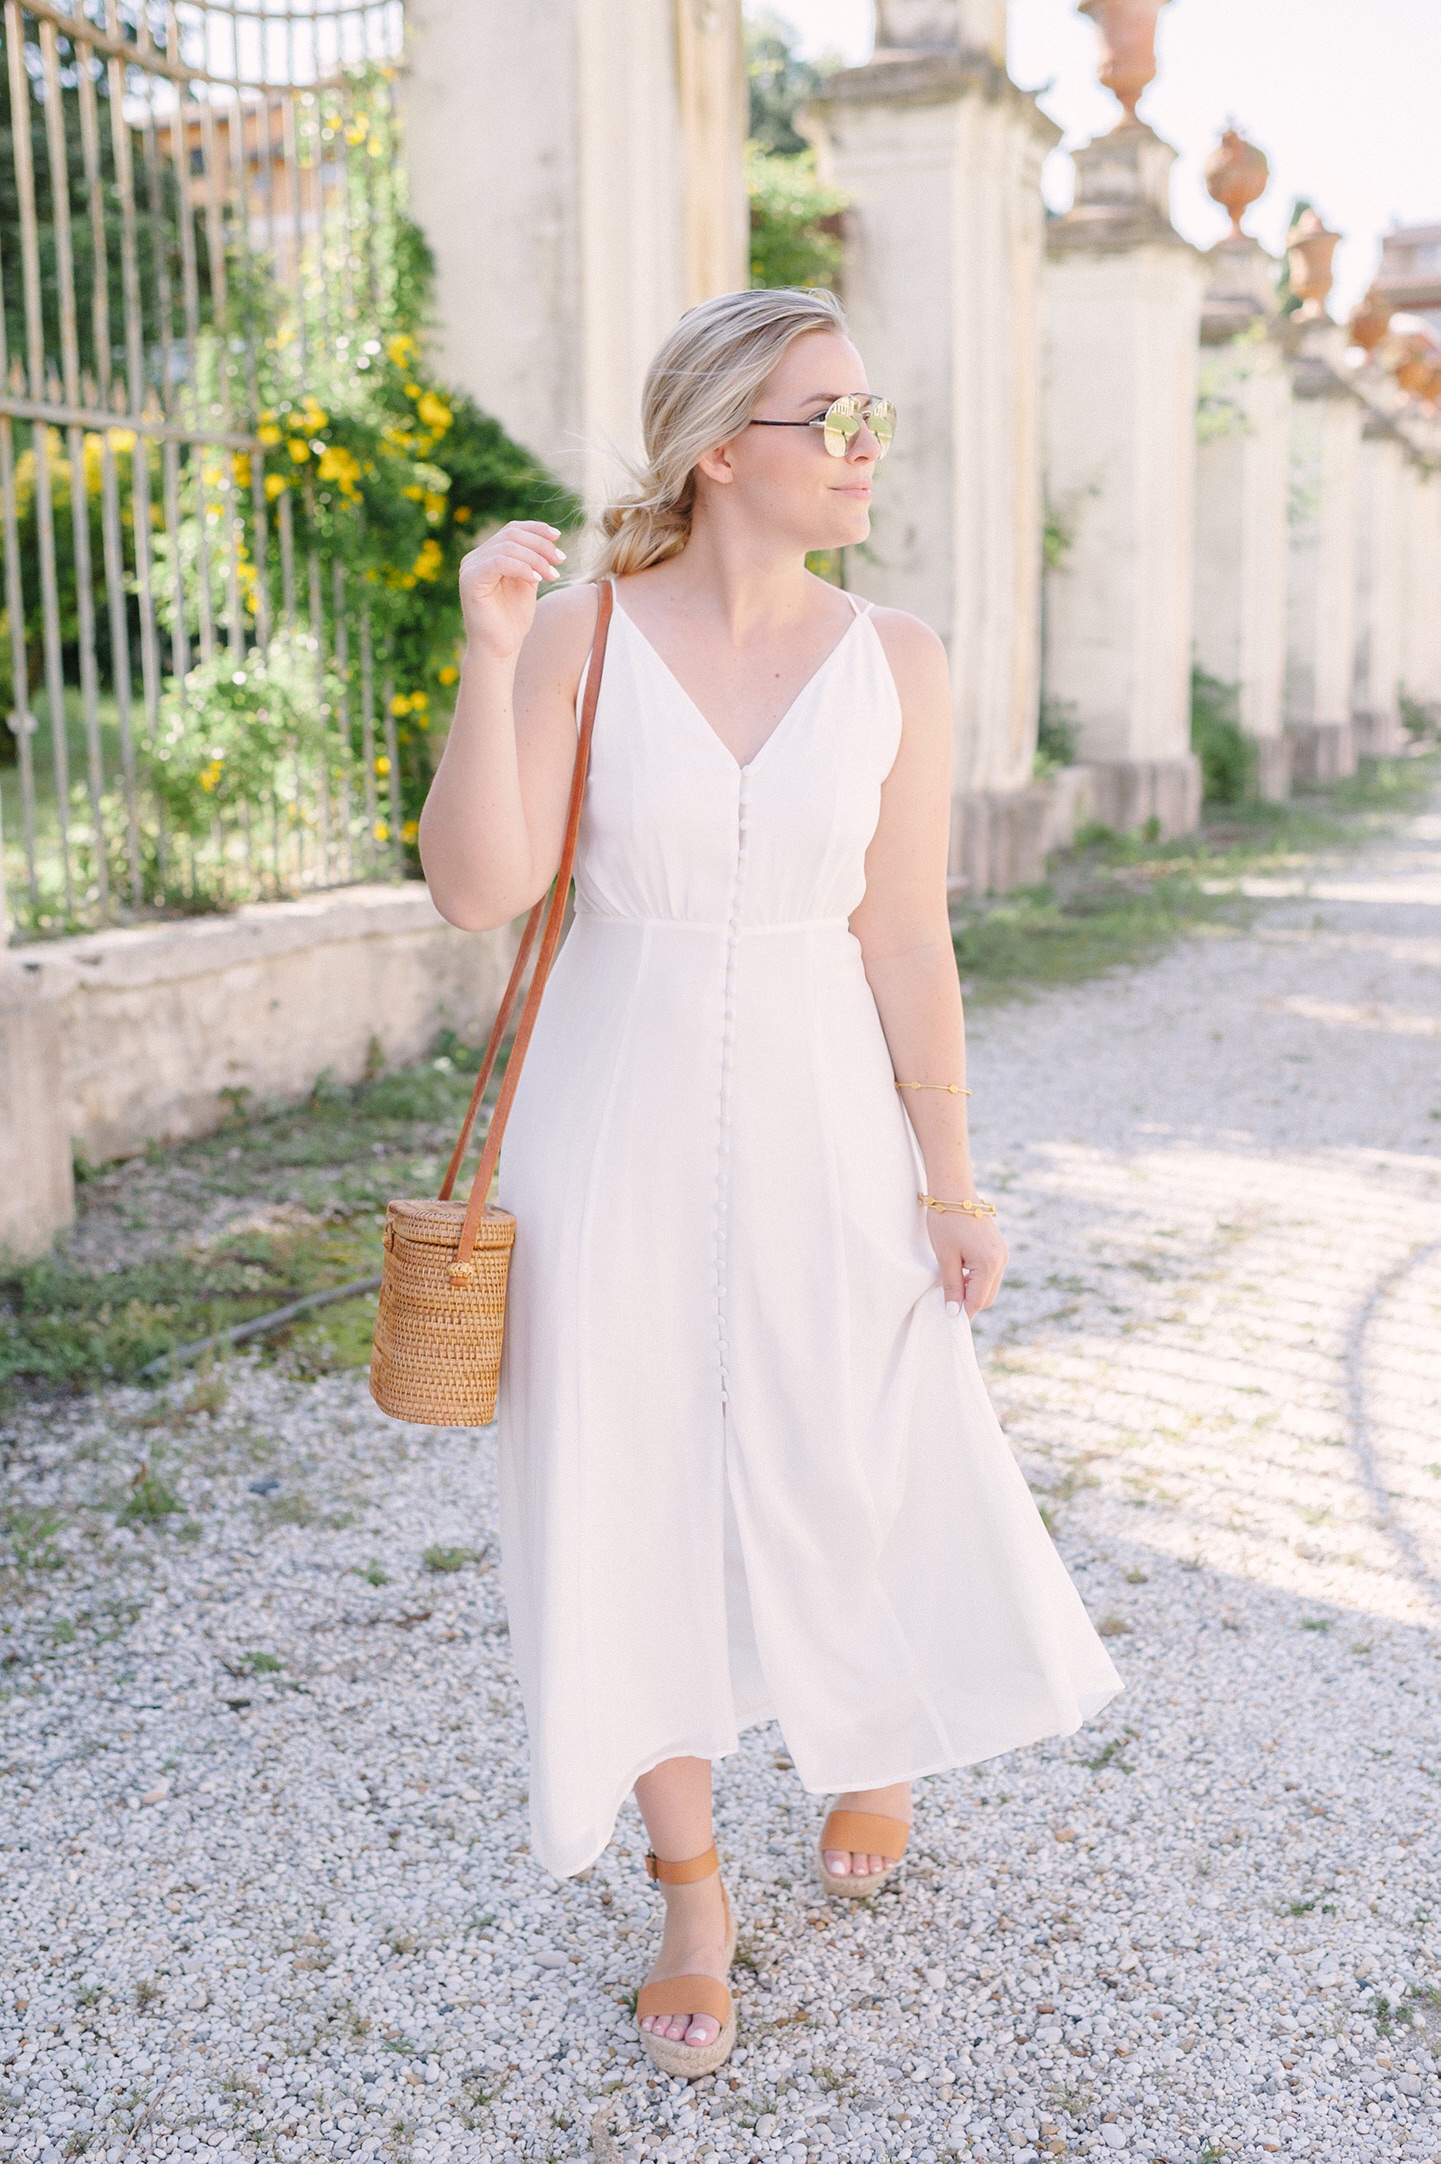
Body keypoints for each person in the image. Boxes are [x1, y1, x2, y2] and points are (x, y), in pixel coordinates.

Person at [419, 286, 1122, 2079]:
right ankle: (690, 1883)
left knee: (852, 1431)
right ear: (722, 443)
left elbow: (905, 928)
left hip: (826, 1108)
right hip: (612, 1110)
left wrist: (951, 1180)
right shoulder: (578, 630)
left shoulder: (896, 657)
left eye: (872, 413)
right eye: (833, 418)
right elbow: (479, 893)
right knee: (620, 1475)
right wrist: (489, 655)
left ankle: (859, 1714)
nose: (866, 446)